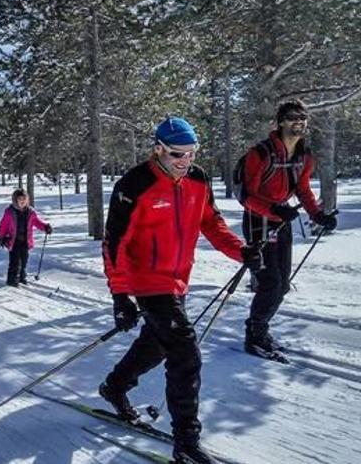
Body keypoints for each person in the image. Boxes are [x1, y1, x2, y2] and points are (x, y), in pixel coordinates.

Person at [100, 117, 262, 464]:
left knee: (157, 345)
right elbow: (115, 243)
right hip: (147, 280)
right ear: (157, 148)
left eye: (191, 153)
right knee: (186, 352)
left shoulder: (198, 180)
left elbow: (211, 222)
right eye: (177, 154)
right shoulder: (135, 184)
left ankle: (114, 387)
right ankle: (186, 442)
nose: (185, 161)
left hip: (177, 280)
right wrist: (120, 295)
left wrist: (241, 250)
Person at [237, 99, 337, 357]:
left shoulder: (304, 156)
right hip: (258, 221)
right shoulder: (260, 153)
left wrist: (318, 215)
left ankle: (259, 331)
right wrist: (274, 210)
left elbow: (302, 189)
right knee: (270, 283)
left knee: (282, 285)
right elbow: (246, 195)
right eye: (293, 117)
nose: (299, 122)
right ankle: (255, 335)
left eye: (303, 118)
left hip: (283, 220)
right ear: (280, 122)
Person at [0, 188, 52, 286]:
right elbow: (3, 226)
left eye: (24, 200)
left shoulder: (30, 212)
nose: (22, 202)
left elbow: (37, 222)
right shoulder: (10, 212)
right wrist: (2, 237)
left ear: (27, 200)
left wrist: (45, 227)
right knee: (15, 262)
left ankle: (21, 277)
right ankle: (12, 280)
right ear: (15, 200)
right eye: (19, 200)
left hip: (25, 240)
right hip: (13, 241)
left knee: (24, 259)